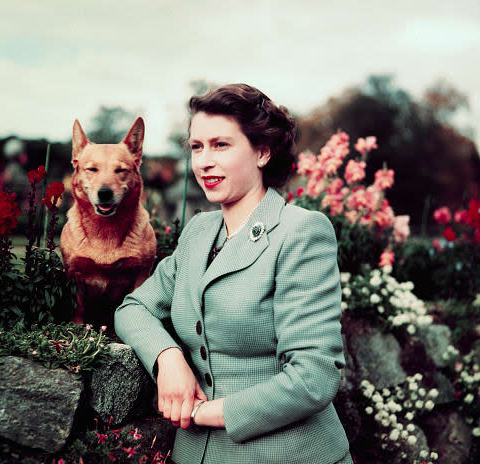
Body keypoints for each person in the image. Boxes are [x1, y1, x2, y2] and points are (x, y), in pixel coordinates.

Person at [114, 83, 353, 464]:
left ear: (262, 152)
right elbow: (132, 308)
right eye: (196, 147)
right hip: (195, 455)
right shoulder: (198, 232)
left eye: (221, 145)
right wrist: (168, 357)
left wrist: (202, 412)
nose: (204, 161)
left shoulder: (301, 231)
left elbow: (314, 377)